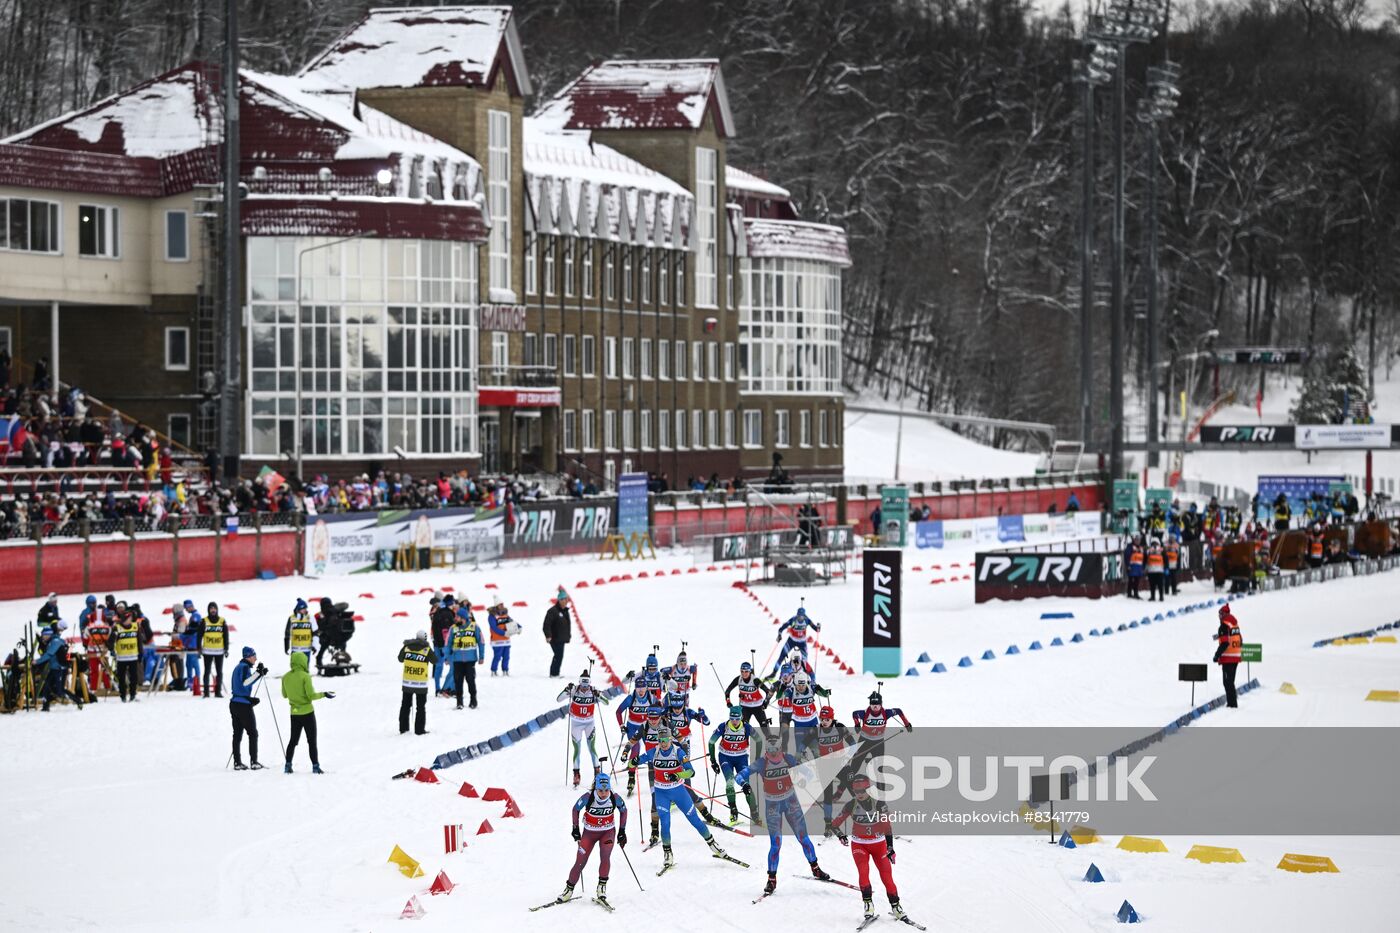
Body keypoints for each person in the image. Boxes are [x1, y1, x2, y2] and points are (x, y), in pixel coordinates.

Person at [736, 733, 830, 896]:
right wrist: (744, 784)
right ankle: (771, 879)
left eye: (776, 749)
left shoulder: (789, 759)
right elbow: (739, 776)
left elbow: (808, 773)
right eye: (770, 750)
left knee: (803, 838)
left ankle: (816, 869)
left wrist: (802, 778)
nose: (773, 753)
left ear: (780, 748)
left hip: (791, 803)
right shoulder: (761, 763)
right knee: (776, 844)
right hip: (773, 806)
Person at [632, 725, 731, 871]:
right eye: (660, 740)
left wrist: (678, 775)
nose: (663, 743)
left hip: (679, 791)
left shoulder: (678, 752)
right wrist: (633, 761)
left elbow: (691, 772)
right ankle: (668, 853)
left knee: (694, 820)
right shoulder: (654, 751)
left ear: (671, 739)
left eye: (666, 740)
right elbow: (635, 761)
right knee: (665, 823)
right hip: (661, 793)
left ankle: (713, 844)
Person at [831, 772, 910, 924]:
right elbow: (834, 824)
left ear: (869, 789)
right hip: (859, 845)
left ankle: (896, 906)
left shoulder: (880, 804)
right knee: (863, 872)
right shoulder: (850, 805)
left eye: (863, 791)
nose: (859, 794)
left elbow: (887, 827)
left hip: (879, 845)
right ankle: (868, 905)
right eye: (856, 792)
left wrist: (890, 848)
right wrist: (841, 836)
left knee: (887, 876)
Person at [558, 771, 628, 907]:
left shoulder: (614, 797)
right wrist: (575, 829)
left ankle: (601, 887)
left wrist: (622, 831)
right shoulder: (588, 797)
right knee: (580, 862)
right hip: (589, 834)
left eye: (606, 790)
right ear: (595, 788)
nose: (603, 793)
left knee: (605, 857)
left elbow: (624, 810)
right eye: (600, 790)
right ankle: (569, 890)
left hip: (607, 832)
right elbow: (575, 809)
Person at [708, 705, 762, 825]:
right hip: (725, 757)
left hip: (741, 758)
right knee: (730, 782)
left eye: (737, 719)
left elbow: (759, 740)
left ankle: (755, 814)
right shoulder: (723, 727)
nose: (734, 721)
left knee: (747, 786)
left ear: (741, 718)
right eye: (732, 718)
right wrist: (713, 761)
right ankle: (733, 810)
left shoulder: (746, 727)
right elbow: (711, 742)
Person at [281, 650, 333, 773]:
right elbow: (311, 696)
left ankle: (288, 765)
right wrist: (324, 694)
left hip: (294, 713)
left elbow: (284, 695)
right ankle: (315, 766)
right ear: (303, 662)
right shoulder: (305, 676)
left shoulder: (286, 677)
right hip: (307, 713)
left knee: (293, 741)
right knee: (311, 741)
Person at [560, 670, 611, 786]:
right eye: (582, 685)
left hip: (589, 723)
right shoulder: (574, 690)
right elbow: (559, 699)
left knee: (592, 748)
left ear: (589, 683)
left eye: (586, 685)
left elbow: (606, 702)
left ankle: (597, 771)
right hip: (576, 724)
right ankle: (576, 774)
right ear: (579, 683)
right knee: (577, 750)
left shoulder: (593, 690)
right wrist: (566, 690)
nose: (584, 688)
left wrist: (599, 695)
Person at [229, 646, 267, 770]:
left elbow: (241, 685)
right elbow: (246, 682)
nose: (255, 659)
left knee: (237, 734)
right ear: (249, 657)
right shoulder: (244, 667)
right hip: (242, 705)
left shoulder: (238, 667)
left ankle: (237, 762)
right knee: (253, 733)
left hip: (235, 703)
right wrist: (258, 673)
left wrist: (258, 675)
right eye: (254, 656)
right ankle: (254, 762)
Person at [36, 623, 83, 711]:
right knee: (47, 686)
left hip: (60, 669)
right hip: (53, 668)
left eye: (46, 635)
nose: (44, 637)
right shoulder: (52, 641)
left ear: (50, 634)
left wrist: (37, 661)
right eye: (43, 635)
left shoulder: (55, 642)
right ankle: (45, 707)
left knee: (60, 691)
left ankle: (78, 701)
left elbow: (49, 654)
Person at [448, 603, 485, 710]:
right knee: (458, 681)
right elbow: (448, 644)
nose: (455, 618)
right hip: (457, 660)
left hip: (470, 660)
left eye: (457, 616)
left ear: (463, 618)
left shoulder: (474, 627)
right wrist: (447, 657)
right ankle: (459, 702)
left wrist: (481, 656)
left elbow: (481, 642)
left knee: (470, 680)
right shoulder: (453, 628)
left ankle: (473, 700)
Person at [398, 630, 434, 735]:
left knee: (405, 705)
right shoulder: (426, 650)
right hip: (420, 684)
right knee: (420, 707)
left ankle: (403, 728)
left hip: (407, 683)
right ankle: (419, 730)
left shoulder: (406, 647)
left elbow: (400, 659)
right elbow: (435, 660)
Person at [109, 605, 144, 703]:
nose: (131, 620)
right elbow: (110, 644)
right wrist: (113, 638)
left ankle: (133, 694)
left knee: (134, 678)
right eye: (129, 618)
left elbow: (140, 641)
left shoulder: (135, 626)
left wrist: (141, 653)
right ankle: (123, 695)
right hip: (121, 658)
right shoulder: (117, 628)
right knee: (122, 678)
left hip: (133, 657)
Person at [772, 606, 821, 675]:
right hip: (791, 641)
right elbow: (782, 628)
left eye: (802, 616)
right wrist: (779, 634)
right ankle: (774, 673)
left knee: (804, 661)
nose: (800, 618)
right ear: (797, 615)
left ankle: (805, 675)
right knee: (782, 655)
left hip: (802, 643)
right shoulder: (793, 620)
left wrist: (818, 627)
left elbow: (816, 629)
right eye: (799, 616)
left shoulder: (807, 620)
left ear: (804, 616)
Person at [724, 661, 772, 728]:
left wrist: (765, 703)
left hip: (757, 706)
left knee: (764, 727)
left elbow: (768, 692)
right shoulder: (738, 679)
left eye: (746, 671)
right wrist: (728, 702)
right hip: (744, 707)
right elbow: (727, 691)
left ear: (750, 671)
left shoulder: (755, 680)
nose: (744, 673)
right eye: (742, 671)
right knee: (743, 728)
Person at [1213, 603, 1243, 708]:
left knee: (1227, 682)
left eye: (1220, 614)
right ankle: (1232, 703)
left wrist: (1217, 655)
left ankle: (1232, 704)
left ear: (1224, 614)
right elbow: (1240, 639)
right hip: (1236, 656)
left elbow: (1225, 643)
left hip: (1228, 658)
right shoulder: (1234, 624)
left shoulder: (1224, 625)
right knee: (1231, 681)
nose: (1219, 617)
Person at [201, 602, 229, 698]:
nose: (213, 610)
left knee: (219, 672)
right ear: (208, 610)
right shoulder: (204, 621)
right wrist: (198, 649)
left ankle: (218, 692)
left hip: (219, 651)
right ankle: (206, 692)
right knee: (207, 672)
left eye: (214, 608)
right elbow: (199, 636)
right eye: (211, 608)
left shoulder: (222, 621)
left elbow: (226, 636)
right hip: (207, 651)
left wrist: (226, 649)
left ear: (217, 609)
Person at [430, 594, 456, 698]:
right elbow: (446, 632)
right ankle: (449, 688)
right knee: (453, 667)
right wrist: (444, 647)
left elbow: (435, 630)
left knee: (439, 666)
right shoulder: (449, 614)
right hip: (445, 645)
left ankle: (438, 688)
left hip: (437, 643)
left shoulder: (437, 613)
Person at [543, 591, 572, 678]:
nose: (565, 601)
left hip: (561, 638)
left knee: (559, 656)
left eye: (566, 599)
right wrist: (548, 635)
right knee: (558, 655)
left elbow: (567, 625)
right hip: (554, 638)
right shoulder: (553, 611)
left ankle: (555, 673)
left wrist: (568, 635)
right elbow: (546, 625)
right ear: (559, 600)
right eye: (563, 599)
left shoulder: (565, 611)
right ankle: (554, 673)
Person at [487, 598, 516, 676]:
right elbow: (494, 628)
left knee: (506, 656)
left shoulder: (505, 614)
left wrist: (518, 627)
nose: (502, 606)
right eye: (501, 604)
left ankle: (505, 670)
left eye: (503, 604)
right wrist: (504, 633)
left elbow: (512, 622)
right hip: (497, 641)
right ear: (497, 605)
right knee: (497, 656)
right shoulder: (492, 616)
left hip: (506, 640)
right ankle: (494, 670)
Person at [283, 598, 317, 662]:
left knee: (305, 669)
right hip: (295, 650)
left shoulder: (310, 618)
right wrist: (286, 647)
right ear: (298, 609)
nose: (305, 610)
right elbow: (287, 633)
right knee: (295, 667)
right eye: (303, 609)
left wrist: (314, 646)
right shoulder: (292, 618)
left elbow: (315, 633)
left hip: (306, 649)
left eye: (305, 608)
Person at [182, 600, 203, 693]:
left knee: (194, 664)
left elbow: (194, 629)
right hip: (190, 644)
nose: (186, 610)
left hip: (193, 644)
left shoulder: (196, 616)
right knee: (188, 664)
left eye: (187, 608)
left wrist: (183, 634)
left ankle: (196, 683)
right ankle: (191, 683)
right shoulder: (193, 616)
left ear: (190, 606)